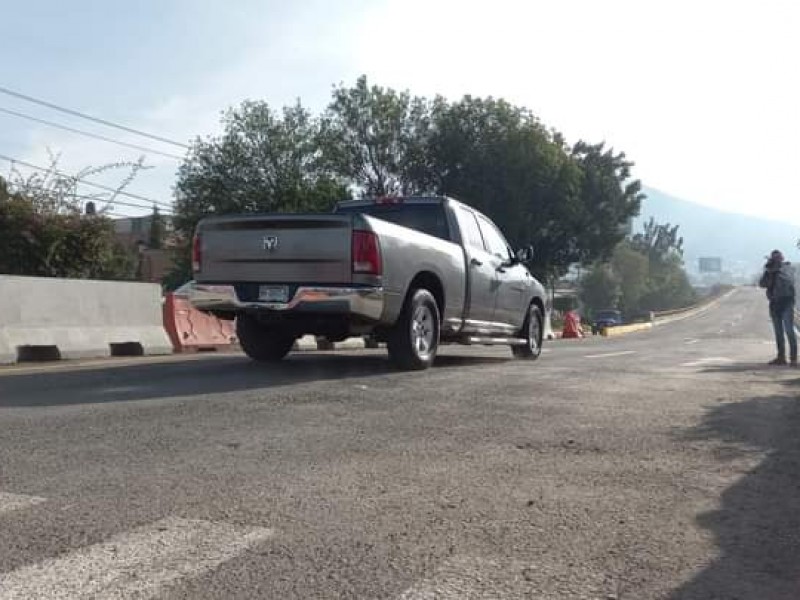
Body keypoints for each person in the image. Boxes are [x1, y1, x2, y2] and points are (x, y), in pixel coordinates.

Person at [758, 250, 797, 366]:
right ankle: (781, 357)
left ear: (782, 258)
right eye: (774, 258)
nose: (776, 260)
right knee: (778, 332)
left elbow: (789, 280)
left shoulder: (788, 268)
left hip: (787, 303)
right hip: (775, 304)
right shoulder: (770, 271)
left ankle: (793, 359)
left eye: (778, 258)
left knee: (789, 331)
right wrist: (769, 272)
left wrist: (776, 270)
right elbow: (762, 284)